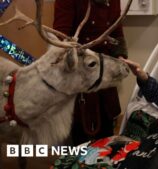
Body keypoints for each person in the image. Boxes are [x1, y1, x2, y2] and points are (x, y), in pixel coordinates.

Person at [53, 0, 128, 145]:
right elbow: (60, 39)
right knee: (80, 139)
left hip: (106, 77)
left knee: (106, 133)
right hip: (80, 77)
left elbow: (117, 30)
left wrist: (120, 58)